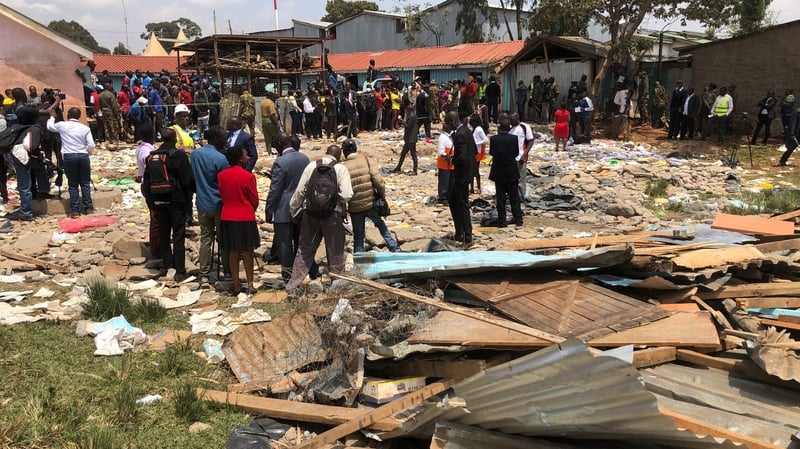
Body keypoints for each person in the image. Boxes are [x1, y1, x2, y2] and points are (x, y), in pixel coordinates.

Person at [286, 144, 353, 294]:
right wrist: (334, 199)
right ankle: (337, 286)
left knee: (305, 250)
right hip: (332, 215)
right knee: (335, 251)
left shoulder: (311, 166)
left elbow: (300, 191)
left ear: (326, 153)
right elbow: (348, 194)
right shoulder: (341, 169)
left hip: (310, 214)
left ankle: (292, 286)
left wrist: (293, 209)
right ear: (339, 156)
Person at [141, 127, 195, 282]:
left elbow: (146, 183)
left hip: (158, 201)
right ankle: (180, 270)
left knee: (164, 234)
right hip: (177, 201)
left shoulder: (152, 157)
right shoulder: (178, 155)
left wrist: (151, 203)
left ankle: (166, 265)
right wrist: (188, 201)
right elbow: (187, 180)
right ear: (174, 139)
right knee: (178, 235)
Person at [266, 133, 313, 284]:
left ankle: (288, 276)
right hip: (301, 207)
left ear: (280, 145)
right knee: (301, 242)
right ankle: (305, 271)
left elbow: (276, 190)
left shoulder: (280, 162)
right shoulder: (304, 158)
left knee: (285, 245)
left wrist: (269, 209)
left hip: (283, 208)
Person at [341, 138, 400, 253]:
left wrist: (343, 212)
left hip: (355, 207)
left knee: (358, 236)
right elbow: (379, 182)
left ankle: (360, 259)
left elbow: (343, 193)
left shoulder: (343, 168)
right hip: (370, 203)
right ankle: (394, 248)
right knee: (381, 225)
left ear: (344, 152)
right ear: (356, 149)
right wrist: (382, 197)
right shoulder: (367, 161)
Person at [218, 144, 260, 295]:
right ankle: (250, 284)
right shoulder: (248, 176)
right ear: (240, 159)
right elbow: (254, 200)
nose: (248, 157)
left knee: (233, 252)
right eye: (245, 155)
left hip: (227, 215)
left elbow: (223, 195)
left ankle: (236, 284)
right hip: (244, 216)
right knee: (247, 251)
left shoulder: (221, 175)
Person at [191, 126, 230, 285]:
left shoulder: (195, 154)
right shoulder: (221, 159)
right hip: (219, 204)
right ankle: (227, 271)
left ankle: (204, 274)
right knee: (224, 240)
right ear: (215, 139)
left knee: (205, 239)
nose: (225, 141)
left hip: (202, 203)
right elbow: (225, 183)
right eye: (223, 138)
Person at [46, 103, 95, 218]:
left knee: (73, 185)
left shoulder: (63, 125)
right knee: (85, 183)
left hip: (69, 156)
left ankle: (75, 211)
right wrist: (87, 152)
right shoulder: (85, 128)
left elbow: (50, 127)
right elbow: (91, 145)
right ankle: (88, 208)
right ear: (79, 116)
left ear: (68, 115)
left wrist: (52, 116)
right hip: (83, 156)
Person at [447, 111, 477, 247]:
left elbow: (462, 157)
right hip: (466, 173)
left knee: (462, 204)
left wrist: (451, 159)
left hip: (462, 175)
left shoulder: (460, 134)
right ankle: (459, 232)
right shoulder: (467, 131)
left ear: (453, 122)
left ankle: (468, 237)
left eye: (448, 124)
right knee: (452, 199)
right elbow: (475, 150)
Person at [489, 113, 524, 228]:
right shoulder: (513, 138)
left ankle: (502, 221)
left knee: (500, 198)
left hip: (498, 171)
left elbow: (492, 153)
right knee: (514, 196)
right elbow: (516, 153)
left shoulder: (494, 139)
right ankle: (518, 219)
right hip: (511, 171)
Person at [134, 122, 160, 259]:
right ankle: (156, 249)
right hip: (150, 184)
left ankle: (156, 245)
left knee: (155, 216)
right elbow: (150, 163)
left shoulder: (141, 148)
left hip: (146, 183)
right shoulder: (146, 150)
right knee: (155, 218)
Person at [510, 113, 535, 201]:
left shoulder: (524, 127)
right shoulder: (510, 128)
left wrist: (525, 154)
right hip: (511, 158)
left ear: (517, 119)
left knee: (521, 178)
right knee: (512, 179)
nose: (511, 122)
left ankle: (521, 197)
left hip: (521, 157)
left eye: (512, 120)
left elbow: (531, 141)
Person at [393, 103, 418, 175]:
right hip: (409, 138)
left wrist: (401, 121)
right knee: (403, 153)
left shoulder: (412, 116)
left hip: (411, 138)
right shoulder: (412, 116)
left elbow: (408, 126)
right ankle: (398, 167)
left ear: (408, 110)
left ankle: (415, 170)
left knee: (413, 154)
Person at [436, 116, 455, 204]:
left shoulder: (451, 136)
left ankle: (448, 196)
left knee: (450, 181)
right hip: (444, 164)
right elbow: (441, 152)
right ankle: (442, 198)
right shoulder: (443, 137)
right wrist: (447, 157)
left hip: (450, 164)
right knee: (444, 181)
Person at [470, 114, 487, 194]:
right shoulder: (475, 129)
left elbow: (485, 140)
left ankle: (478, 188)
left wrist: (476, 143)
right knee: (472, 171)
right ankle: (472, 188)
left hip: (477, 152)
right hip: (473, 152)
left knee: (475, 171)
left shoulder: (479, 129)